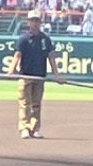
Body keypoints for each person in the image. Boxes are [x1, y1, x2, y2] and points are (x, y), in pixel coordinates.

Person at [7, 9, 64, 138]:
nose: (34, 23)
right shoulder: (23, 39)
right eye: (32, 21)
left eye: (37, 21)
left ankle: (35, 128)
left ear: (40, 22)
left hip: (39, 76)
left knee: (36, 104)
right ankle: (24, 128)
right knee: (25, 104)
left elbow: (51, 57)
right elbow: (17, 55)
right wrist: (11, 70)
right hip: (26, 76)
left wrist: (57, 75)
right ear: (28, 23)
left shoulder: (45, 39)